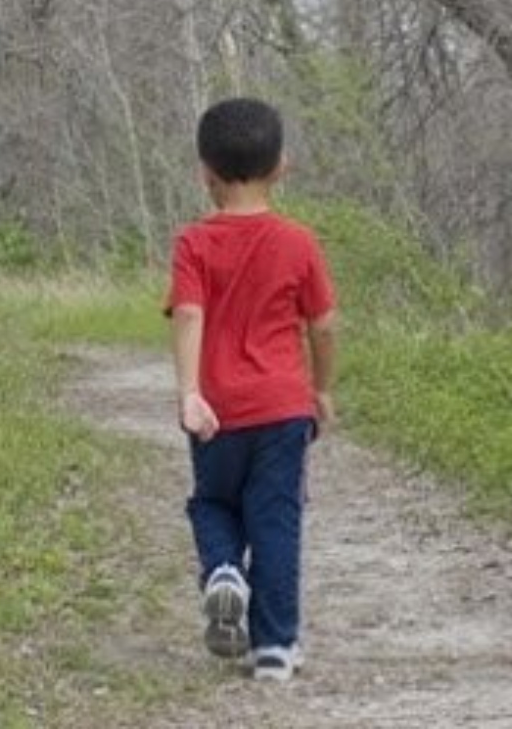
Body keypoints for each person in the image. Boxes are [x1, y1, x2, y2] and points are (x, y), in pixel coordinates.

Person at [165, 97, 337, 683]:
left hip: (217, 410)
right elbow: (323, 324)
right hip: (285, 406)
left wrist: (190, 391)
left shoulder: (193, 242)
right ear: (281, 165)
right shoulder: (298, 242)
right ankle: (275, 646)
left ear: (203, 171)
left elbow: (188, 313)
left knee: (212, 502)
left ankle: (222, 571)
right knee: (276, 517)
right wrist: (322, 388)